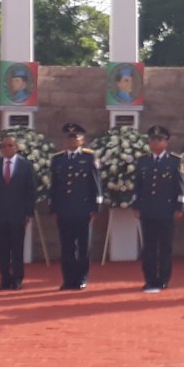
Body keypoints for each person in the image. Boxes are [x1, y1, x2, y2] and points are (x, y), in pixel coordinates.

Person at [133, 125, 184, 293]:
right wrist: (136, 205)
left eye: (159, 140)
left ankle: (163, 279)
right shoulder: (143, 161)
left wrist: (180, 206)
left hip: (166, 210)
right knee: (148, 247)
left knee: (164, 247)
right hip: (147, 210)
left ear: (166, 142)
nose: (155, 143)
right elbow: (137, 187)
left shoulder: (174, 161)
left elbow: (181, 187)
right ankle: (150, 279)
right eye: (152, 140)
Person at [49, 123, 102, 291]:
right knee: (66, 247)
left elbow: (96, 183)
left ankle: (81, 278)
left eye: (75, 138)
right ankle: (68, 279)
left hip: (83, 209)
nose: (72, 141)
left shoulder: (89, 157)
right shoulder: (57, 159)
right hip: (64, 209)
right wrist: (54, 207)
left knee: (83, 247)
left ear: (82, 140)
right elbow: (54, 186)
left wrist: (96, 207)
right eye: (69, 138)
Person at [0, 134, 36, 290]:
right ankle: (4, 278)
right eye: (3, 146)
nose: (6, 148)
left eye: (10, 145)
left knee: (17, 249)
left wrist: (28, 213)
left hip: (18, 215)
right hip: (0, 215)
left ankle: (17, 279)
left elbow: (30, 191)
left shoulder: (26, 166)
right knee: (2, 249)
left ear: (16, 147)